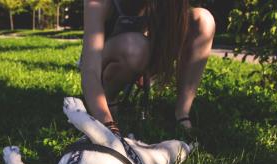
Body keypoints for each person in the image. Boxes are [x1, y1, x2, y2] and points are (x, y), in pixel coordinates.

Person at [80, 0, 215, 134]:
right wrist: (108, 125)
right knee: (135, 47)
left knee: (204, 20)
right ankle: (108, 100)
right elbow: (90, 71)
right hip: (110, 59)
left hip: (145, 56)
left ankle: (182, 114)